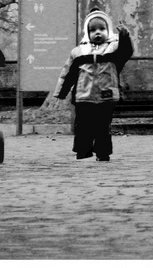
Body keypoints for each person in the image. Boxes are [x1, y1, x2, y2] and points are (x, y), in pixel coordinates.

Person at [45, 10, 134, 161]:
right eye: (93, 30)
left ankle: (103, 153)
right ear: (87, 32)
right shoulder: (78, 52)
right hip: (82, 96)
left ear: (108, 31)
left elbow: (127, 51)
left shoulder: (114, 50)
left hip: (106, 96)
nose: (97, 33)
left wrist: (125, 36)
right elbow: (68, 74)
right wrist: (61, 93)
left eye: (102, 29)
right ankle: (83, 152)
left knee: (103, 127)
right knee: (83, 126)